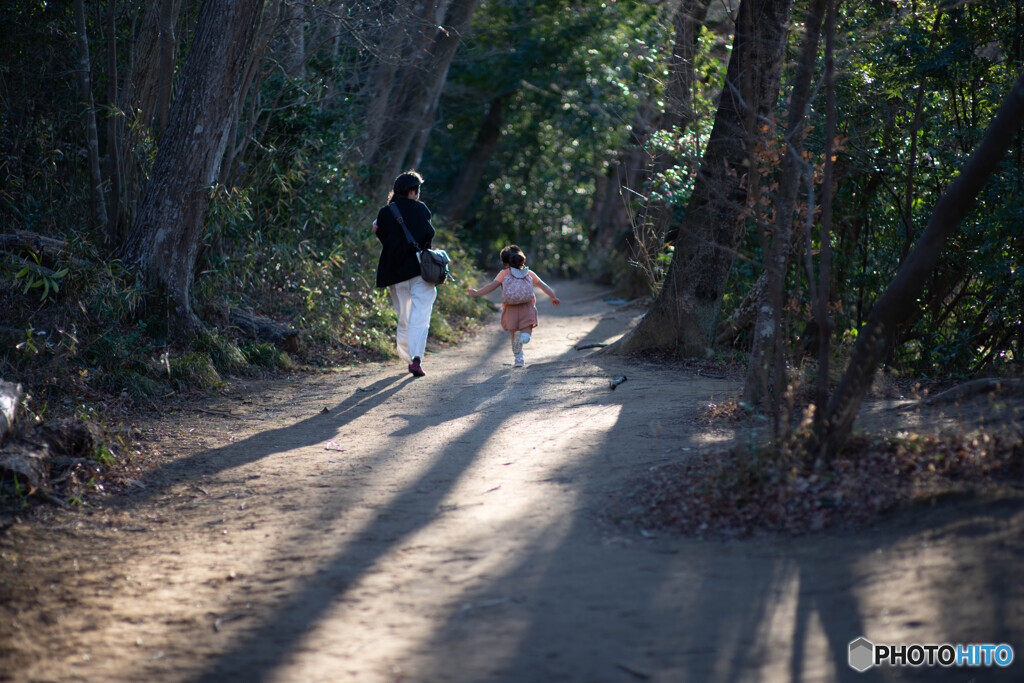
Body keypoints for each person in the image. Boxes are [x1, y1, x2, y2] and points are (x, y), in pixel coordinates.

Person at [374, 171, 436, 377]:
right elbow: (428, 235)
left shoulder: (385, 212)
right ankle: (416, 359)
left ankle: (406, 356)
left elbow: (382, 235)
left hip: (395, 271)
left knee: (404, 316)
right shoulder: (421, 209)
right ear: (412, 191)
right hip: (421, 270)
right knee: (421, 314)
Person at [468, 245, 560, 367]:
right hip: (527, 307)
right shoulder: (529, 273)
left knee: (514, 334)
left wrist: (476, 293)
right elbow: (543, 286)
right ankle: (522, 339)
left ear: (505, 262)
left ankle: (518, 359)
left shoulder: (504, 273)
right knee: (526, 335)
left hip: (510, 307)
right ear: (521, 260)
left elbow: (491, 286)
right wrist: (553, 296)